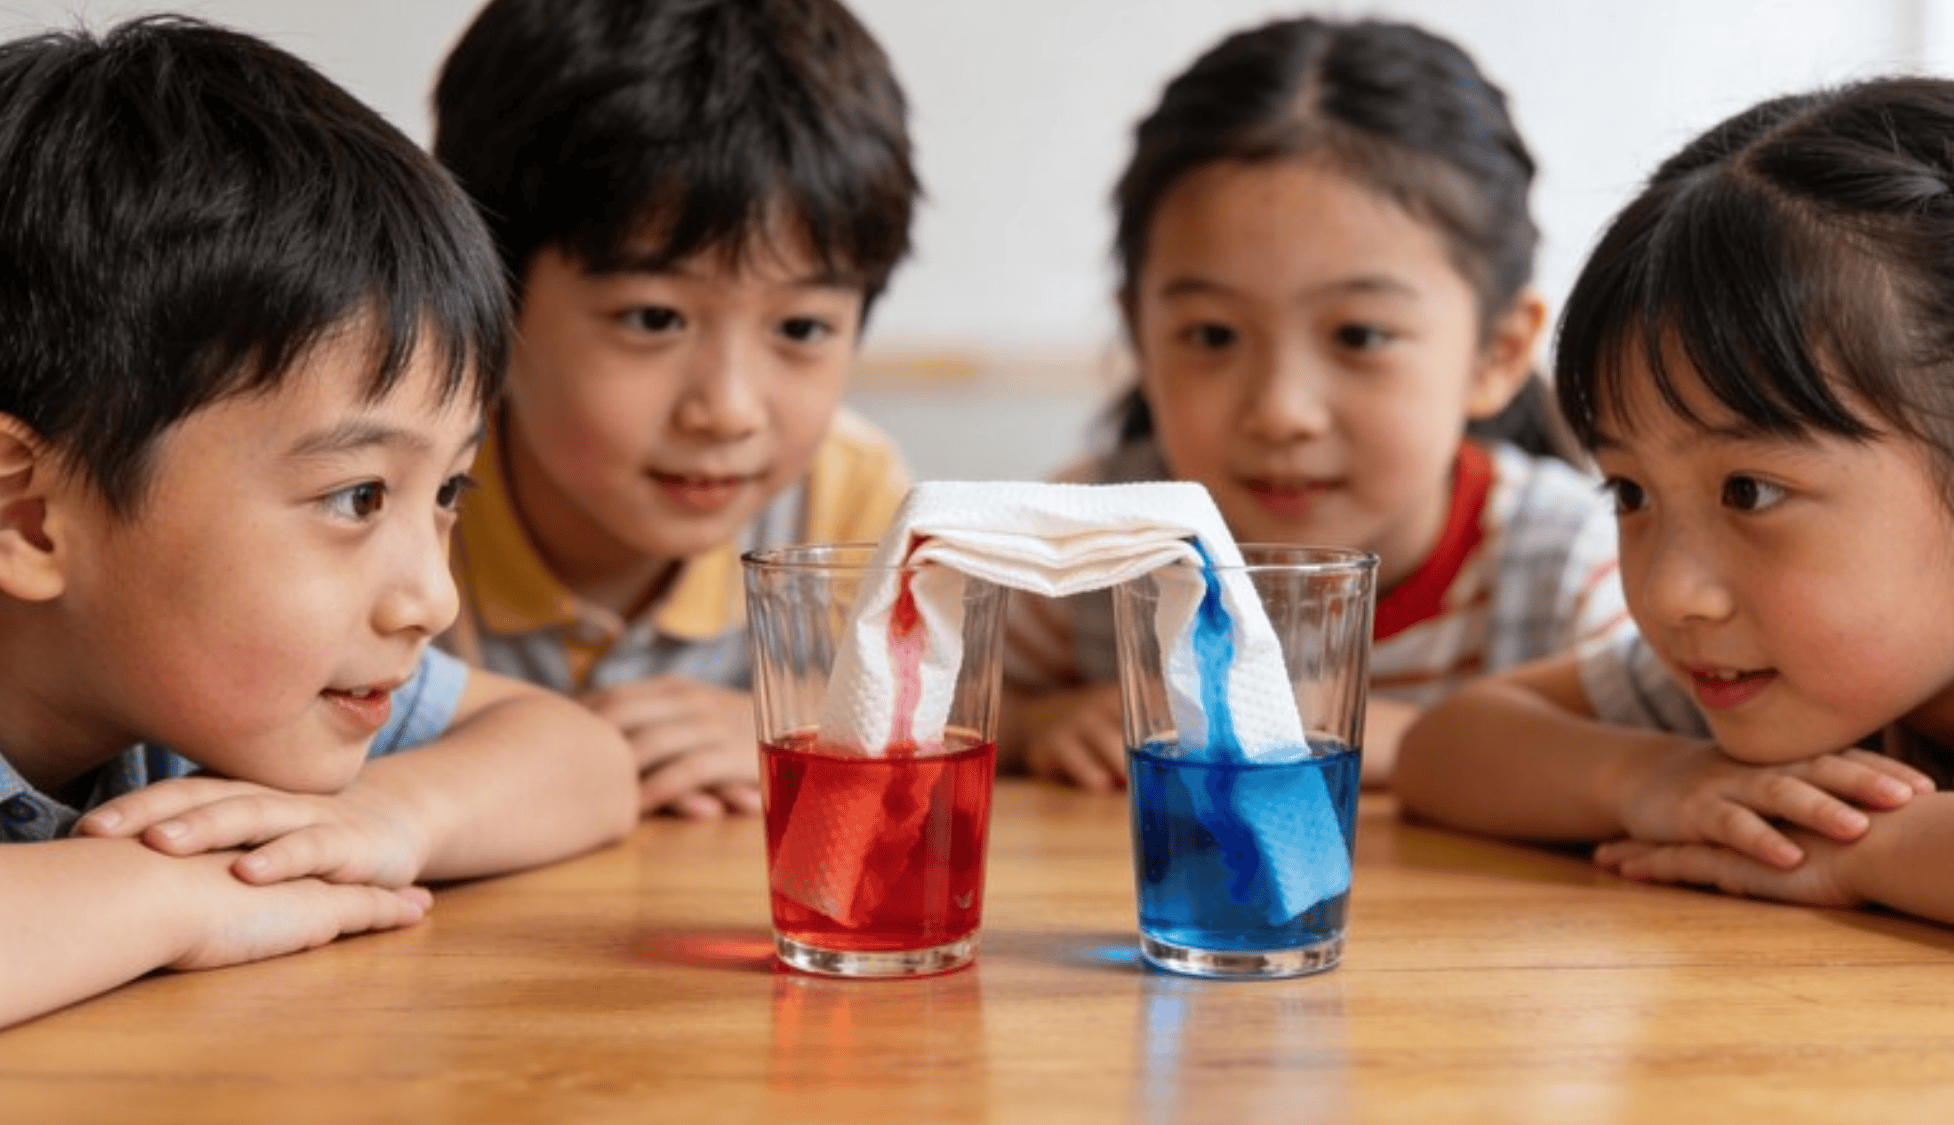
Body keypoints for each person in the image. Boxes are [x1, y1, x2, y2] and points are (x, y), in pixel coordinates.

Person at [0, 16, 639, 1028]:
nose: (432, 596)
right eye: (356, 497)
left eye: (446, 495)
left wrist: (384, 817)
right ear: (27, 516)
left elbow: (587, 763)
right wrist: (166, 898)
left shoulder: (185, 689)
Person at [1392, 75, 1954, 935]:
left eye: (1749, 491)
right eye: (1631, 492)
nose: (1673, 592)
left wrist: (1867, 847)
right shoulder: (1779, 671)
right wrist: (1657, 780)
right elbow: (1447, 749)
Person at [1002, 16, 1626, 791]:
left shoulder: (1576, 573)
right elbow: (936, 711)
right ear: (1140, 331)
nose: (1281, 411)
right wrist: (1036, 725)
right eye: (1212, 334)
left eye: (1359, 334)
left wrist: (1429, 745)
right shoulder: (1090, 547)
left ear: (1497, 352)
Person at [431, 0, 918, 819]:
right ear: (492, 297)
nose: (727, 411)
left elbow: (942, 735)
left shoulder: (857, 514)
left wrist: (806, 732)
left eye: (800, 327)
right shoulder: (403, 502)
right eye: (654, 318)